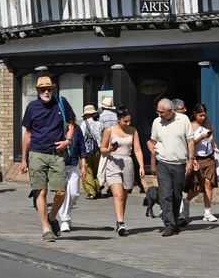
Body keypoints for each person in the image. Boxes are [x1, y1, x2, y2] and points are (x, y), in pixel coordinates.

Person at [20, 76, 75, 242]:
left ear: (53, 88)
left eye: (49, 88)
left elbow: (72, 124)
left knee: (61, 191)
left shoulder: (61, 102)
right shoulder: (32, 107)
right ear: (37, 90)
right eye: (42, 89)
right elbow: (28, 134)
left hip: (56, 154)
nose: (46, 92)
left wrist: (67, 141)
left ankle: (52, 217)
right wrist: (23, 159)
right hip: (37, 153)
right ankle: (45, 229)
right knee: (41, 191)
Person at [148, 98, 196, 237]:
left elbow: (190, 141)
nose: (159, 114)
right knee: (165, 194)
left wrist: (191, 161)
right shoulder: (157, 122)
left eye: (162, 112)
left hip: (180, 163)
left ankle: (174, 222)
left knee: (176, 195)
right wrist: (149, 144)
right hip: (163, 163)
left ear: (171, 111)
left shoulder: (183, 120)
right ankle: (169, 224)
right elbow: (153, 140)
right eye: (158, 111)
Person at [101, 108, 144, 236]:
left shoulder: (133, 131)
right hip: (113, 163)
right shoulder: (110, 130)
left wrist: (141, 166)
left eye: (129, 121)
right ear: (118, 119)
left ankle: (120, 220)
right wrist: (109, 149)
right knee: (118, 194)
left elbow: (137, 150)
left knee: (124, 195)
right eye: (125, 121)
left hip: (127, 163)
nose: (128, 123)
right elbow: (102, 149)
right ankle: (120, 223)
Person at [185, 103, 219, 222]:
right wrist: (201, 137)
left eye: (204, 115)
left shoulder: (208, 125)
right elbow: (189, 144)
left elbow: (213, 141)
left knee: (208, 184)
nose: (203, 118)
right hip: (196, 159)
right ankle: (187, 201)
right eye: (201, 115)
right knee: (197, 187)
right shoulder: (190, 126)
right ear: (195, 114)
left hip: (209, 158)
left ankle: (207, 212)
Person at [56, 118, 89, 232]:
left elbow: (82, 148)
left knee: (74, 193)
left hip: (74, 164)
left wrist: (83, 166)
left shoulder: (77, 129)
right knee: (62, 193)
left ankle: (66, 214)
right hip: (59, 164)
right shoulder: (57, 128)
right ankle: (64, 220)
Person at [79, 104, 104, 199]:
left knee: (87, 170)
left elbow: (81, 137)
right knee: (97, 170)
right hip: (98, 150)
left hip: (86, 151)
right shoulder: (100, 124)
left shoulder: (83, 124)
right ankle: (97, 188)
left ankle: (91, 192)